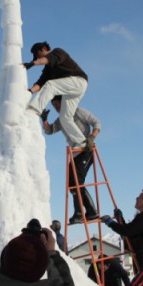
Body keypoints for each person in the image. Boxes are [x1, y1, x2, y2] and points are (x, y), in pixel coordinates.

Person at [43, 95, 101, 224]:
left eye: (58, 105)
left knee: (77, 181)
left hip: (85, 150)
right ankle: (87, 211)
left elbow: (97, 123)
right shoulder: (61, 120)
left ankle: (83, 212)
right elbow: (50, 131)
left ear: (64, 102)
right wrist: (44, 120)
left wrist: (91, 137)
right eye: (54, 106)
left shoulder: (79, 112)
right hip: (74, 153)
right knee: (71, 183)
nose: (57, 108)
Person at [24, 41, 89, 149]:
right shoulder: (48, 69)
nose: (37, 58)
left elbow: (49, 59)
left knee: (51, 85)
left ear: (44, 48)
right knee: (65, 118)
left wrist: (32, 63)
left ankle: (35, 109)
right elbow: (41, 82)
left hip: (79, 81)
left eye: (37, 55)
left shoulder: (58, 52)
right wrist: (29, 91)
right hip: (71, 90)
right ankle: (82, 142)